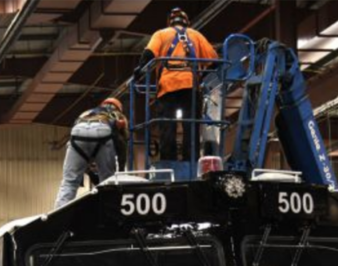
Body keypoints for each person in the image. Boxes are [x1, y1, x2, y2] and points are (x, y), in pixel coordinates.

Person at [136, 7, 217, 162]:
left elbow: (148, 55)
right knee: (191, 128)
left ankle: (169, 163)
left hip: (167, 87)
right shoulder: (196, 35)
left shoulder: (161, 34)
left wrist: (139, 72)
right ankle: (191, 163)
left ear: (170, 22)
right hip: (191, 88)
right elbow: (214, 61)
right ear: (186, 22)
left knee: (168, 128)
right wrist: (201, 76)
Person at [54, 97, 128, 209]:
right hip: (102, 132)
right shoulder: (117, 114)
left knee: (69, 182)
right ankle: (108, 213)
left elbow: (76, 129)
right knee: (107, 182)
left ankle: (57, 216)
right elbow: (122, 142)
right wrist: (121, 170)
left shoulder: (87, 112)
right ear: (119, 108)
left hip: (77, 133)